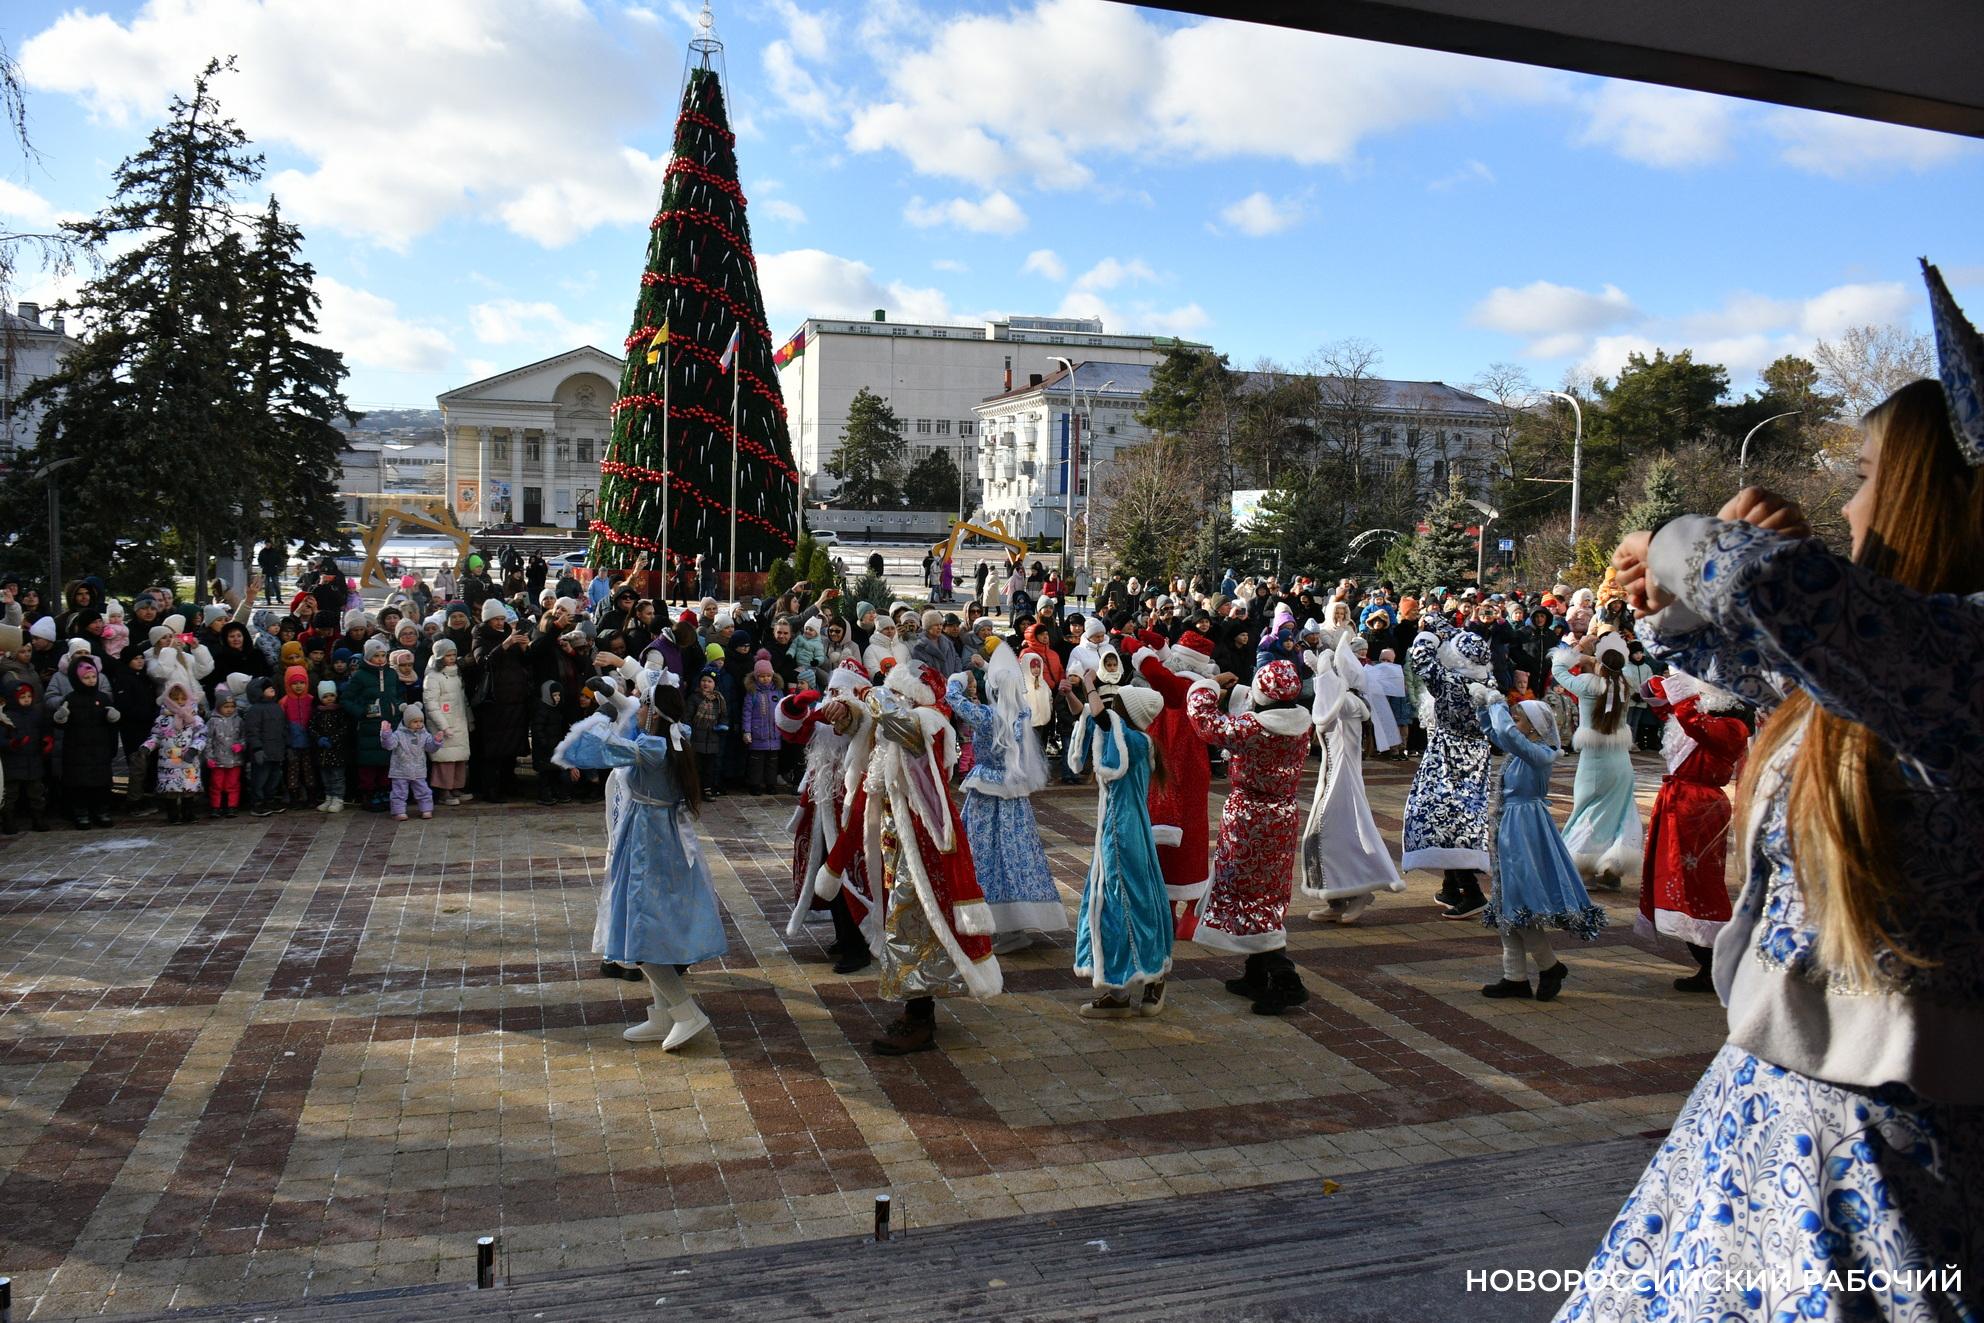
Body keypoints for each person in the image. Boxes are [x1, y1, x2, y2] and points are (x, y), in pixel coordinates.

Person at [1557, 298, 1984, 1318]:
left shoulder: (1959, 664)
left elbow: (1779, 601)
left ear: (1934, 497)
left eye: (1863, 480)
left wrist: (1672, 540)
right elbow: (1785, 686)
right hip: (1773, 1125)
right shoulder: (1907, 673)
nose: (1845, 510)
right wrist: (1693, 599)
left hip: (1889, 1161)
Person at [555, 669, 725, 1050]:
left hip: (650, 842)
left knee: (642, 932)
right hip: (655, 834)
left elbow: (602, 748)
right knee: (649, 927)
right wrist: (616, 699)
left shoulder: (654, 747)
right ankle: (663, 1013)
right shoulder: (670, 740)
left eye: (645, 705)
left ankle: (686, 1011)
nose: (640, 710)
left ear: (655, 713)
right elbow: (633, 723)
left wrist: (606, 709)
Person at [859, 661, 1002, 1056]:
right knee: (909, 917)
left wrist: (874, 693)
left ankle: (919, 1016)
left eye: (901, 689)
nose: (895, 695)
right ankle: (918, 1007)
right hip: (905, 833)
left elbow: (892, 720)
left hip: (925, 838)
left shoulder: (928, 721)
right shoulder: (922, 717)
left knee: (915, 920)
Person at [1184, 657, 1314, 1015]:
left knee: (1247, 890)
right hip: (1283, 815)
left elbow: (1205, 724)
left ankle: (1285, 979)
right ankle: (1256, 972)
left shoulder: (1254, 729)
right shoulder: (1300, 723)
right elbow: (1253, 715)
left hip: (1250, 817)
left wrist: (1208, 686)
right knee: (1267, 890)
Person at [1476, 697, 1606, 1001]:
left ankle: (1550, 966)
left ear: (1533, 728)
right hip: (1511, 824)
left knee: (1521, 896)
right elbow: (1495, 733)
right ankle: (1515, 977)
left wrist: (1496, 703)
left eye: (1519, 719)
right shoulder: (1524, 750)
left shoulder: (1540, 753)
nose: (1514, 724)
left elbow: (1506, 734)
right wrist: (1484, 705)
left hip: (1525, 828)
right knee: (1506, 898)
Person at [945, 641, 1066, 953]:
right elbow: (1012, 689)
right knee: (1015, 853)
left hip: (987, 793)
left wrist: (960, 678)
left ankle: (995, 922)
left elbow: (953, 698)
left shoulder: (986, 716)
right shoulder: (1021, 715)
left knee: (984, 854)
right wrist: (989, 669)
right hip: (1013, 794)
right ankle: (1018, 921)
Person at [1635, 672, 1751, 993]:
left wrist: (1684, 687)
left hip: (1698, 807)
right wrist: (1673, 674)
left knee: (1697, 882)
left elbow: (1690, 719)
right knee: (1675, 878)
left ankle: (1716, 958)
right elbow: (1654, 696)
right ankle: (1706, 960)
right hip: (1680, 802)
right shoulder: (1699, 716)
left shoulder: (1731, 728)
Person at [1065, 672, 1172, 1018]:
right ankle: (1122, 986)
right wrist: (1073, 694)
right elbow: (1091, 716)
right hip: (1120, 829)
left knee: (1122, 901)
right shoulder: (1129, 738)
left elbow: (1099, 716)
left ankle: (1145, 977)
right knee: (1121, 901)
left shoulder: (1136, 742)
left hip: (1123, 833)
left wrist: (1091, 684)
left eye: (1118, 703)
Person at [776, 662, 876, 971]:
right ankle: (844, 936)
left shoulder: (865, 714)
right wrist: (794, 706)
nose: (831, 700)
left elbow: (859, 723)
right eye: (830, 693)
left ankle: (860, 943)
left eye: (839, 693)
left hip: (850, 807)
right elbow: (796, 730)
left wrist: (844, 710)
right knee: (821, 869)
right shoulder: (823, 715)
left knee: (848, 875)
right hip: (821, 802)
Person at [1300, 635, 1405, 925]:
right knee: (1322, 839)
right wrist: (1319, 672)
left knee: (1342, 836)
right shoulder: (1338, 698)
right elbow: (1324, 705)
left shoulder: (1346, 702)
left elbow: (1325, 707)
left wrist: (1321, 672)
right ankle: (1335, 898)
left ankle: (1361, 891)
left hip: (1343, 781)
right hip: (1332, 778)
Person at [1401, 616, 1498, 919]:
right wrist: (1437, 621)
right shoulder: (1486, 679)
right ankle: (1450, 886)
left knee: (1441, 814)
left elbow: (1421, 660)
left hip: (1449, 755)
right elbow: (1464, 644)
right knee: (1460, 814)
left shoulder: (1452, 682)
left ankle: (1472, 892)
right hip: (1477, 755)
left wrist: (1427, 637)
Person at [1549, 632, 1643, 890]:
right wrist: (1595, 661)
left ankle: (1585, 870)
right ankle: (1613, 867)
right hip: (1621, 763)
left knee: (1588, 811)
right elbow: (1612, 672)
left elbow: (1558, 668)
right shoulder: (1626, 683)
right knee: (1621, 811)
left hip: (1595, 762)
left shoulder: (1588, 684)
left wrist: (1580, 649)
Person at [146, 679, 208, 825]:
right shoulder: (163, 719)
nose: (180, 702)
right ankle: (173, 814)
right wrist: (147, 747)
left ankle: (189, 813)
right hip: (169, 761)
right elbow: (156, 736)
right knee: (171, 789)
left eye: (183, 698)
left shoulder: (194, 718)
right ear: (169, 699)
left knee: (189, 788)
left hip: (188, 760)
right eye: (175, 699)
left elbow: (202, 735)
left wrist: (194, 749)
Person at [2, 680, 52, 832]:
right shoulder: (6, 717)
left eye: (29, 696)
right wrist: (12, 744)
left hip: (33, 760)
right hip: (13, 762)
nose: (26, 699)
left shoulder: (35, 714)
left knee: (36, 793)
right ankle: (8, 821)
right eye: (22, 696)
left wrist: (46, 741)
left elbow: (44, 730)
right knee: (10, 794)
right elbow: (2, 739)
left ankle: (38, 819)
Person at [379, 703, 440, 821]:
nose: (418, 724)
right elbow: (389, 745)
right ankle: (399, 811)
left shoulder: (424, 735)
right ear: (407, 722)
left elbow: (430, 748)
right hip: (400, 769)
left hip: (418, 769)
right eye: (415, 721)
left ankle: (426, 809)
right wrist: (386, 735)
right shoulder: (398, 734)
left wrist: (436, 742)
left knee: (423, 790)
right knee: (399, 792)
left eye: (420, 721)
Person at [310, 681, 350, 813]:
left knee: (337, 776)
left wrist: (333, 739)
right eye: (325, 696)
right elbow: (311, 727)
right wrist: (318, 738)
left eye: (331, 695)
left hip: (337, 751)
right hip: (322, 752)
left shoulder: (339, 711)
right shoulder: (317, 712)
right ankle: (328, 797)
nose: (329, 699)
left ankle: (338, 798)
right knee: (325, 777)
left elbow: (344, 729)